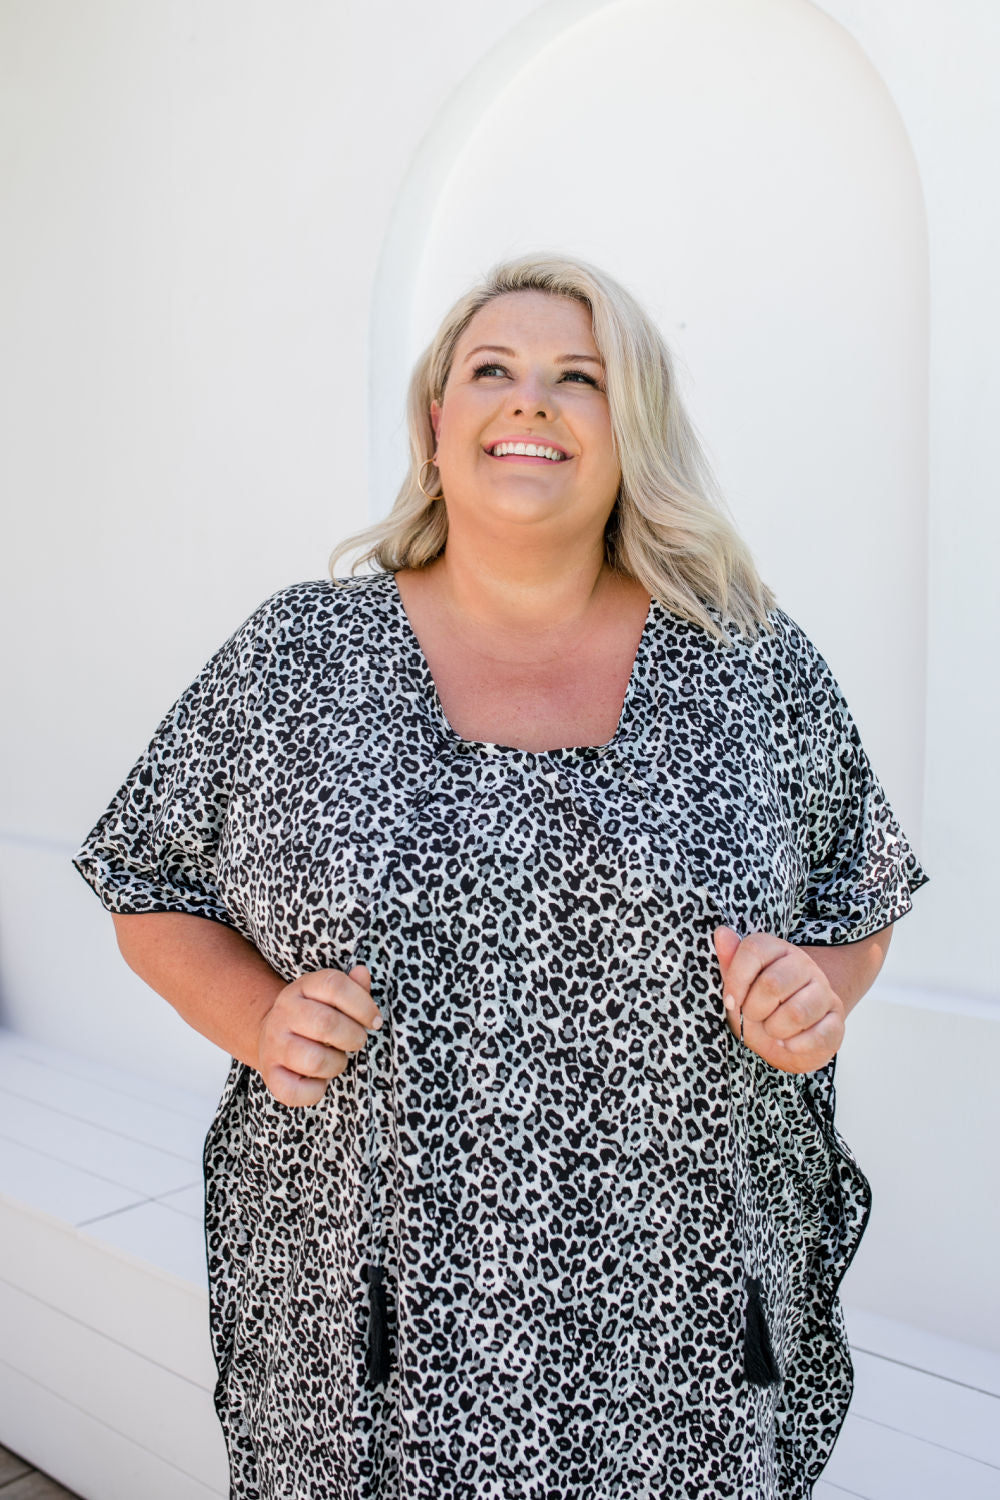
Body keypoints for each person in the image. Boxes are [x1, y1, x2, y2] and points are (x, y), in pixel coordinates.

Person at [73, 253, 926, 1500]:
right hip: (373, 1316)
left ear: (629, 428)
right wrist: (256, 1017)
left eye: (577, 379)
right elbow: (148, 876)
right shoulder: (297, 655)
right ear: (437, 422)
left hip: (677, 1322)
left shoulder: (753, 663)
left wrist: (817, 996)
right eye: (493, 371)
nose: (530, 402)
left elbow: (854, 898)